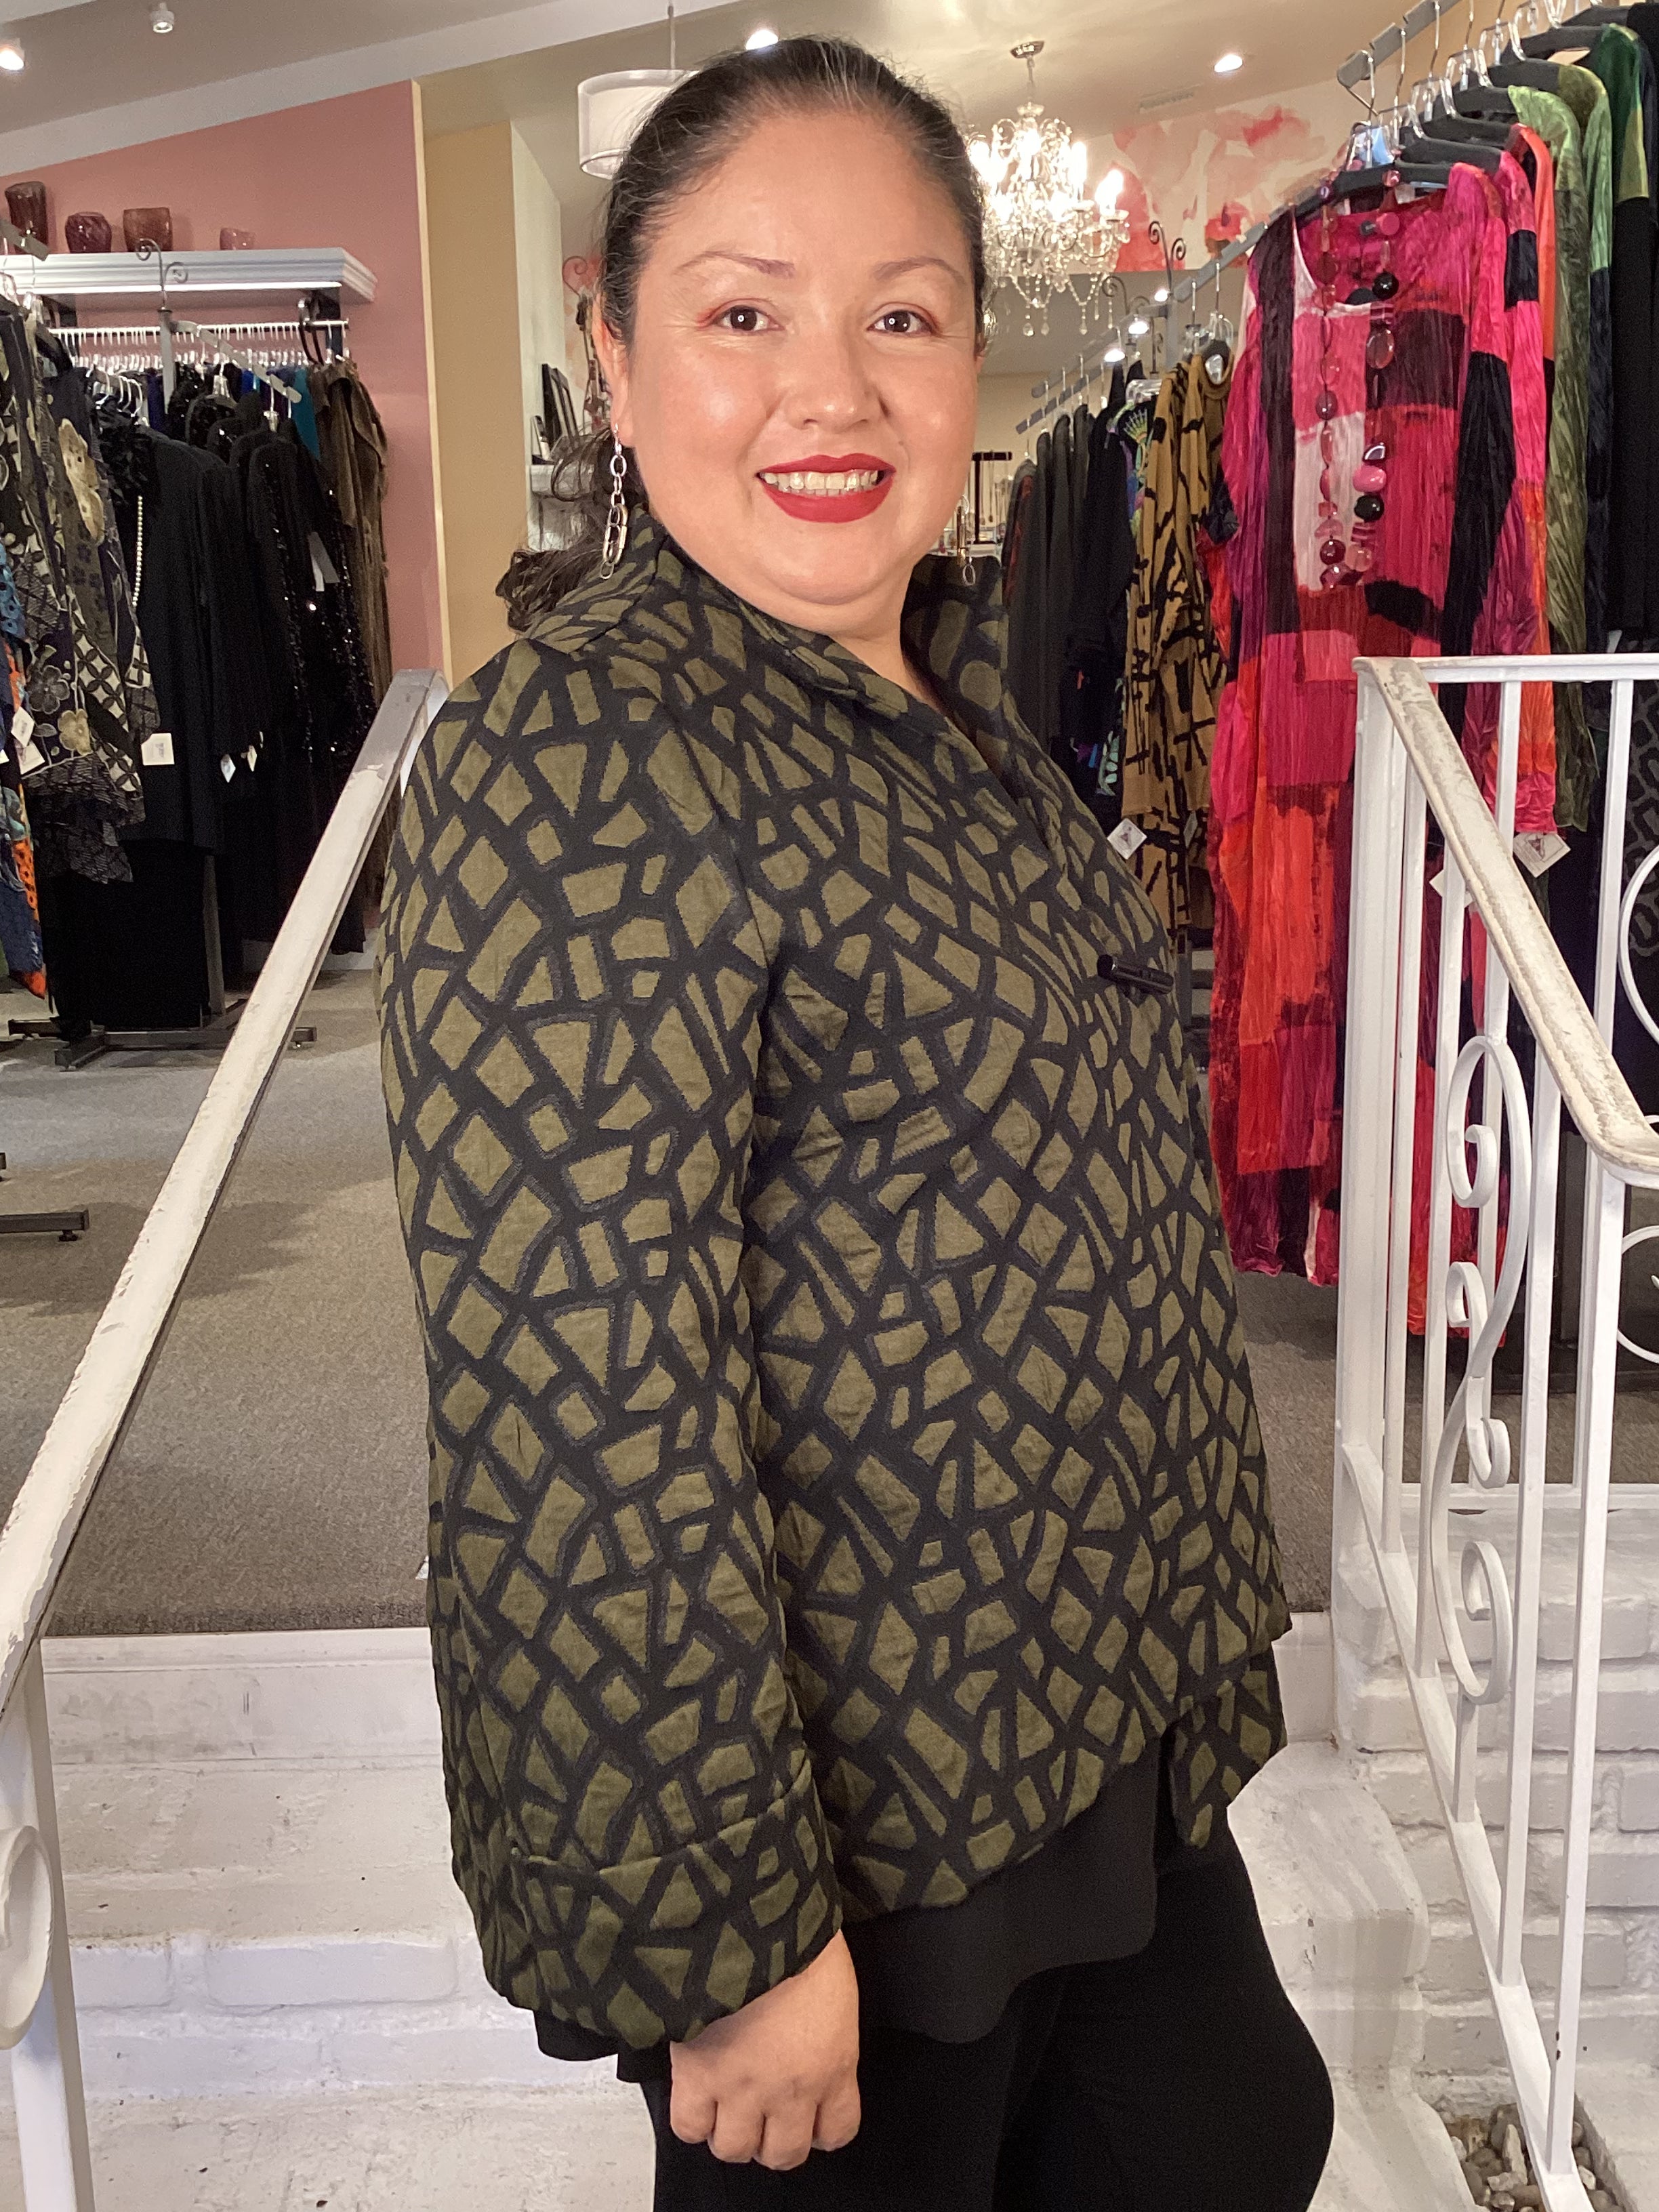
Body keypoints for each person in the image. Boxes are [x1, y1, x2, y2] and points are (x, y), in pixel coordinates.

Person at [377, 35, 1334, 2211]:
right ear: (616, 356)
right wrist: (725, 1944)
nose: (833, 391)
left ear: (972, 349)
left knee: (1236, 2133)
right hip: (857, 1840)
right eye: (744, 313)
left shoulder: (948, 701)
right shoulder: (585, 757)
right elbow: (579, 1414)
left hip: (1081, 1729)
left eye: (901, 314)